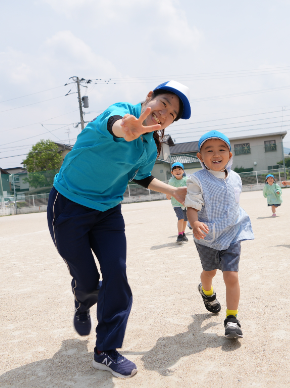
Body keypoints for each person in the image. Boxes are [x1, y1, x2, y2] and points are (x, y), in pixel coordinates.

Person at [47, 81, 191, 379]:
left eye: (172, 114)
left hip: (108, 213)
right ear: (149, 97)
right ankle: (83, 298)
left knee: (117, 273)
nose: (164, 113)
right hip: (69, 203)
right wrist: (127, 129)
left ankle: (106, 351)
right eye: (163, 104)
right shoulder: (119, 113)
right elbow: (117, 126)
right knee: (87, 280)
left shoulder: (149, 146)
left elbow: (140, 178)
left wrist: (174, 192)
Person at [185, 130, 254, 339]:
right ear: (200, 157)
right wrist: (194, 222)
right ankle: (206, 291)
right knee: (210, 272)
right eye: (209, 150)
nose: (216, 154)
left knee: (231, 276)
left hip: (232, 233)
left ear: (230, 154)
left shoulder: (236, 178)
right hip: (207, 235)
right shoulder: (197, 179)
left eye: (221, 149)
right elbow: (192, 204)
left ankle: (232, 318)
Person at [165, 162, 189, 244]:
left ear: (183, 171)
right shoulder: (171, 181)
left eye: (179, 169)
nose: (177, 171)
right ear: (172, 172)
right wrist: (168, 195)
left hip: (186, 203)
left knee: (185, 219)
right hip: (176, 203)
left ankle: (183, 233)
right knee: (181, 218)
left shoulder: (187, 180)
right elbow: (169, 191)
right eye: (175, 170)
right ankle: (179, 235)